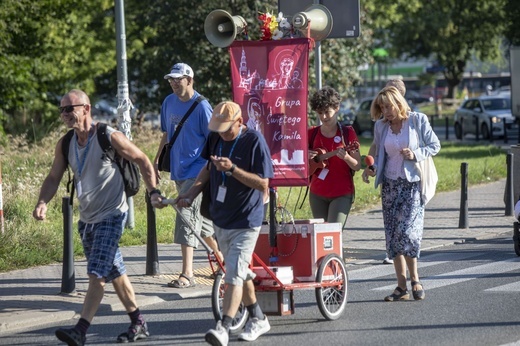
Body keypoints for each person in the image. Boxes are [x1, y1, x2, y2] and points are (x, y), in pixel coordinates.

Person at [33, 89, 161, 345]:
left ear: (86, 108)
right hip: (88, 219)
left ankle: (80, 330)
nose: (65, 114)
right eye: (62, 110)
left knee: (97, 273)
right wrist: (42, 201)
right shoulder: (66, 143)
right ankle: (138, 321)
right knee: (115, 272)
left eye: (70, 108)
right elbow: (53, 177)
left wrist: (154, 191)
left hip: (113, 214)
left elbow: (142, 159)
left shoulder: (107, 135)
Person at [172, 101, 274, 346]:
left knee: (233, 274)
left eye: (227, 128)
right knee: (239, 272)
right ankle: (259, 318)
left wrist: (233, 169)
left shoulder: (255, 141)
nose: (222, 133)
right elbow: (207, 169)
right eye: (218, 128)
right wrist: (190, 194)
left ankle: (223, 327)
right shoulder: (215, 138)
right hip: (221, 217)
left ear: (240, 122)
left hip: (247, 218)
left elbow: (263, 184)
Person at [361, 86, 440, 302]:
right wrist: (372, 168)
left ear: (398, 104)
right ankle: (401, 286)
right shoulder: (381, 126)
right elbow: (379, 155)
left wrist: (416, 154)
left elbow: (435, 145)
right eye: (382, 107)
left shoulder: (417, 120)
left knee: (408, 233)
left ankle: (416, 279)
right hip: (389, 185)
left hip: (411, 185)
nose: (385, 111)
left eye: (389, 106)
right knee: (394, 236)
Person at [154, 62, 222, 288]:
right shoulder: (168, 102)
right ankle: (223, 263)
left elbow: (213, 140)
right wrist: (156, 160)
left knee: (185, 216)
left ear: (189, 80)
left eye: (178, 79)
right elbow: (166, 133)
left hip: (198, 170)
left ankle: (187, 274)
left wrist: (212, 171)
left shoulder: (202, 107)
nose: (173, 83)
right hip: (178, 169)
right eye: (171, 79)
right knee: (199, 224)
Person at [308, 86, 361, 231]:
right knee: (320, 236)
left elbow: (357, 165)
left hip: (342, 193)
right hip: (317, 193)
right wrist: (306, 154)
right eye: (320, 113)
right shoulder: (312, 133)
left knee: (333, 233)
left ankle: (335, 255)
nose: (324, 117)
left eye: (327, 112)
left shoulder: (347, 133)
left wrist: (347, 158)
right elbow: (298, 159)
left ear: (336, 108)